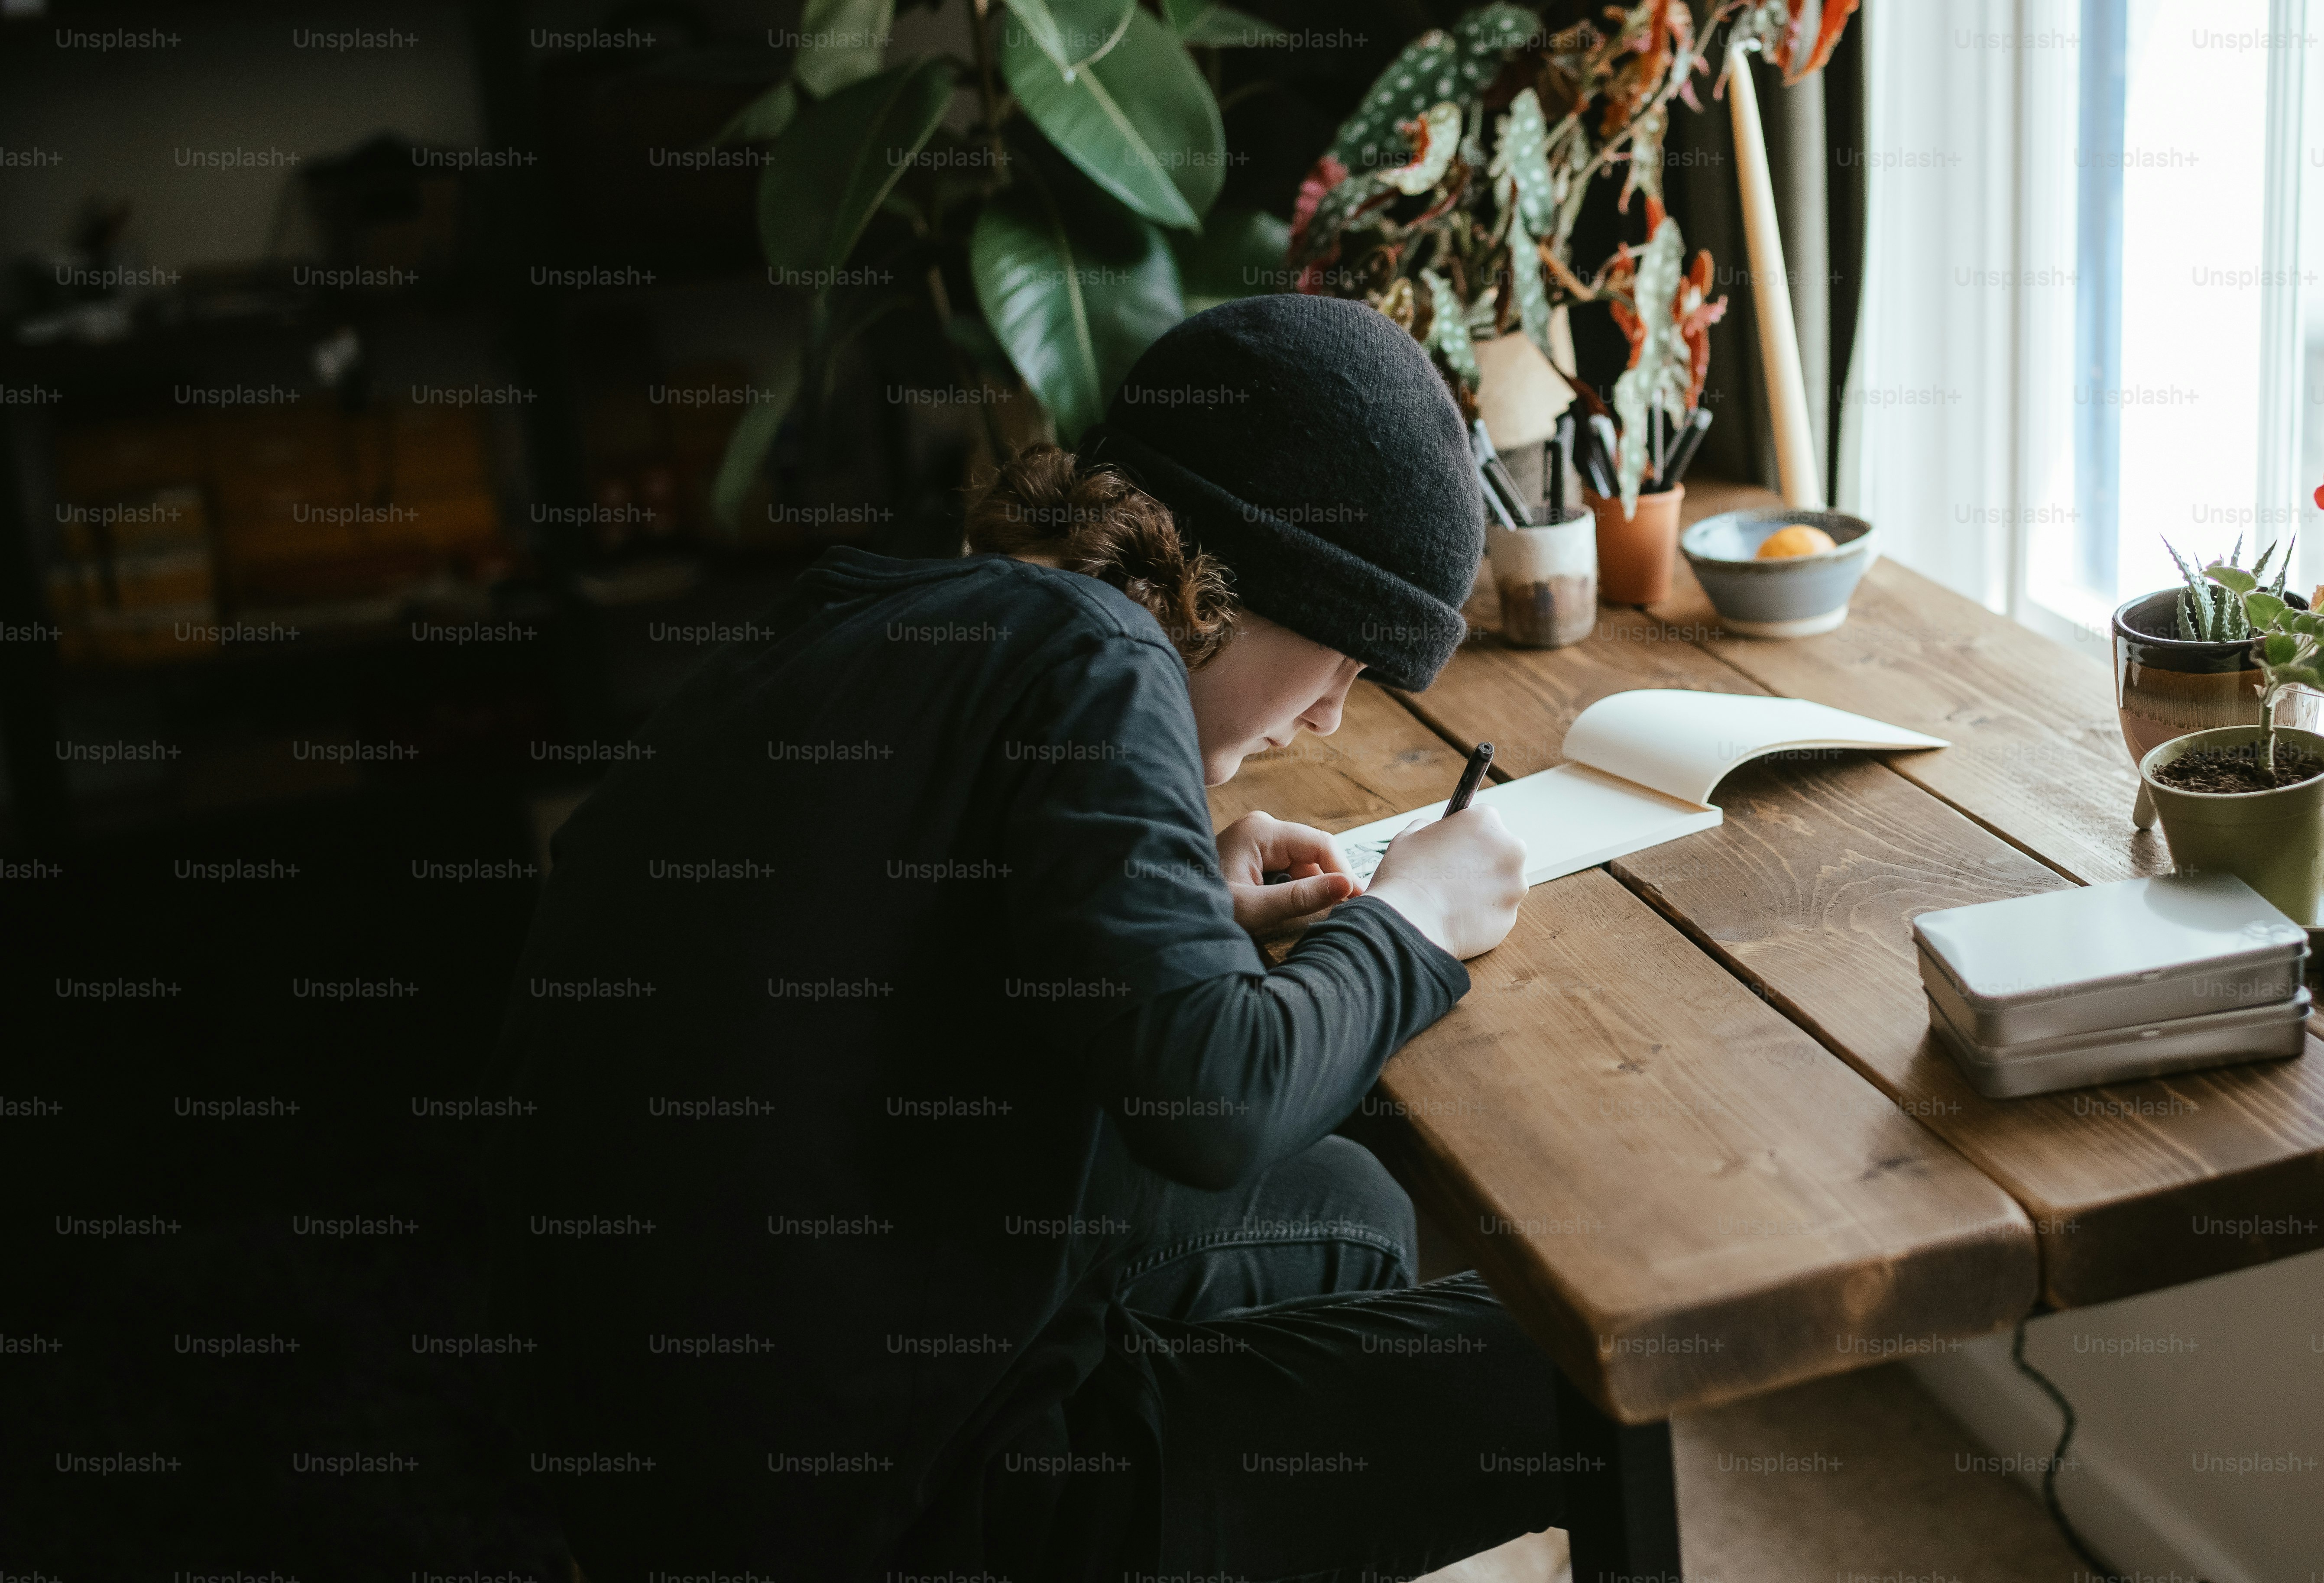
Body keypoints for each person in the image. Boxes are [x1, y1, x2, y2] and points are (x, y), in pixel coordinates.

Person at [489, 294, 1570, 1581]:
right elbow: (1212, 1103)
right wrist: (1413, 920)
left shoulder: (888, 604)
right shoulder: (1104, 654)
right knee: (1550, 1382)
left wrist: (1174, 904)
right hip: (902, 1504)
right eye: (1341, 658)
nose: (1331, 718)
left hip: (682, 1440)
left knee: (1344, 1200)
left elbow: (875, 932)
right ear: (1226, 582)